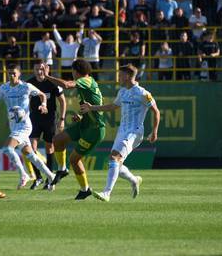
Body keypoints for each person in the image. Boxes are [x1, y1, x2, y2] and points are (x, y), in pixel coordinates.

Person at [80, 64, 160, 202]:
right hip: (122, 131)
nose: (119, 77)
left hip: (134, 132)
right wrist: (92, 108)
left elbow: (156, 111)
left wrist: (154, 132)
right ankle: (134, 180)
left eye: (121, 74)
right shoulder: (122, 91)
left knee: (114, 158)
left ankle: (107, 193)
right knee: (115, 162)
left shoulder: (142, 93)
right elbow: (112, 106)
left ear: (128, 76)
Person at [44, 59, 105, 200]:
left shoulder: (85, 81)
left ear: (76, 72)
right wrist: (81, 115)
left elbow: (66, 85)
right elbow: (92, 104)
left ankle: (85, 189)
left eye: (72, 71)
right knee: (57, 140)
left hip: (94, 130)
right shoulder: (89, 82)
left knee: (74, 159)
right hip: (85, 123)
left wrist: (48, 77)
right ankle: (62, 169)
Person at [0, 64, 56, 190]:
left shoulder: (26, 86)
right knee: (31, 155)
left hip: (24, 125)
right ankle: (51, 176)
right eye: (9, 73)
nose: (11, 75)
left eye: (14, 73)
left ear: (19, 74)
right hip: (14, 126)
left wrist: (44, 105)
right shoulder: (3, 88)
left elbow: (42, 95)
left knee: (8, 149)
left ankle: (23, 175)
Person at [27, 60, 67, 190]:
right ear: (33, 70)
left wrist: (62, 118)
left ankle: (49, 179)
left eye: (42, 69)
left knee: (50, 146)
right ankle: (38, 177)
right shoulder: (29, 83)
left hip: (49, 119)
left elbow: (62, 101)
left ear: (46, 69)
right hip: (34, 118)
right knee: (31, 148)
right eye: (37, 69)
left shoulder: (52, 82)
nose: (39, 71)